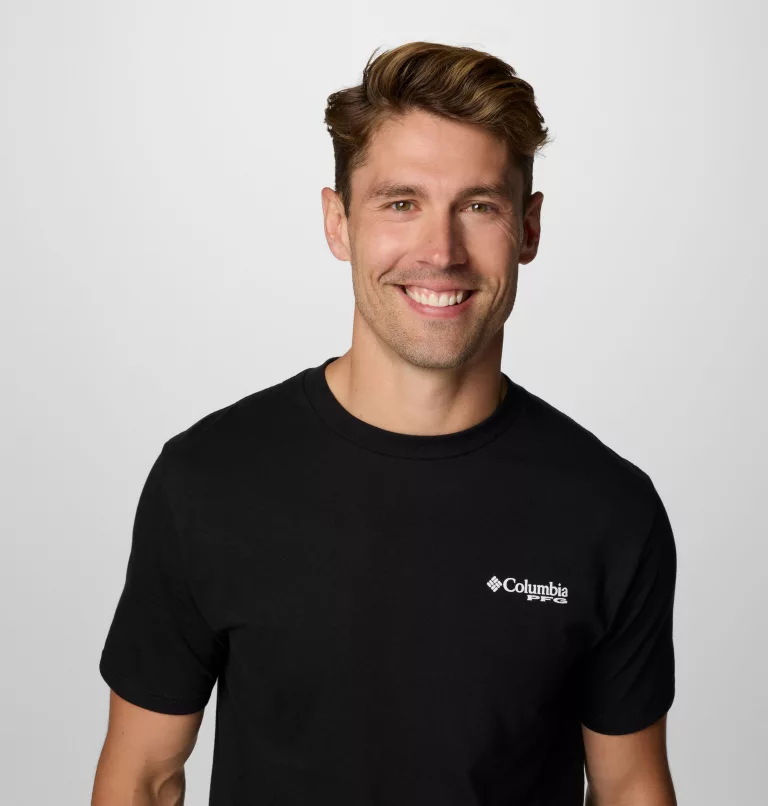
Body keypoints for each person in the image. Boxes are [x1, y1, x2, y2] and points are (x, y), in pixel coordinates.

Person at [92, 41, 678, 806]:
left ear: (529, 229)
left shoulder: (609, 510)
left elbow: (631, 787)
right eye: (401, 203)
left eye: (479, 205)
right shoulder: (207, 481)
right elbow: (142, 777)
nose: (441, 251)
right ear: (338, 223)